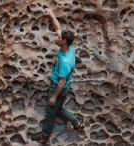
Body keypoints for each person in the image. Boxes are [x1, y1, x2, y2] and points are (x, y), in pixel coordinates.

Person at [31, 9, 84, 144]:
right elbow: (58, 27)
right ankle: (76, 122)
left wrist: (54, 96)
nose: (57, 38)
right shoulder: (69, 48)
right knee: (57, 109)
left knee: (50, 112)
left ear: (64, 41)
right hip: (63, 87)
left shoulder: (66, 61)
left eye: (59, 38)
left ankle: (44, 137)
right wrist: (51, 14)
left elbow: (61, 82)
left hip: (58, 87)